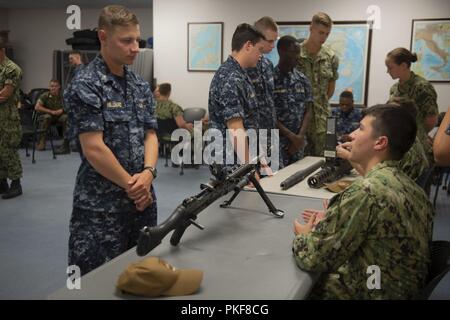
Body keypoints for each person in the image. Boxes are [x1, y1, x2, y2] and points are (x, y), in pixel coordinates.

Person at [293, 104, 434, 299]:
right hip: (394, 287)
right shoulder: (410, 187)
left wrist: (304, 235)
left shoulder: (367, 191)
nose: (351, 134)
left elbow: (314, 257)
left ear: (380, 143)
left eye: (360, 128)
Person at [64, 5, 158, 275]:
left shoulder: (139, 85)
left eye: (137, 40)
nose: (135, 48)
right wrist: (134, 186)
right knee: (97, 281)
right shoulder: (86, 84)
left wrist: (149, 174)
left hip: (142, 202)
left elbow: (151, 133)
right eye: (126, 40)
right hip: (100, 209)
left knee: (141, 274)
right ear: (103, 37)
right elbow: (93, 148)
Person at [208, 23, 265, 167]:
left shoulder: (240, 74)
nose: (260, 56)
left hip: (240, 159)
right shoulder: (231, 77)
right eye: (260, 49)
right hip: (232, 163)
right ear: (248, 46)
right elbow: (235, 129)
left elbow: (249, 123)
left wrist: (260, 159)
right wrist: (249, 168)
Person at [297, 12, 339, 157]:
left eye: (327, 34)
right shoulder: (296, 55)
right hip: (300, 122)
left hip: (326, 120)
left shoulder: (331, 57)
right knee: (300, 165)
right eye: (321, 32)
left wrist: (320, 105)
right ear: (311, 28)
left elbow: (330, 89)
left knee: (329, 160)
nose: (324, 37)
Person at [386, 47, 438, 160]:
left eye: (390, 68)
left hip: (417, 149)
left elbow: (431, 119)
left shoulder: (422, 87)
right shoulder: (394, 89)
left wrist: (418, 134)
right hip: (399, 145)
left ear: (404, 66)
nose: (387, 71)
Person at [273, 35, 312, 167]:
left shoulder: (302, 79)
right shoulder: (270, 79)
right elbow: (268, 113)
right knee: (274, 182)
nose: (298, 56)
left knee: (298, 180)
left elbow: (308, 110)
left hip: (298, 144)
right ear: (281, 52)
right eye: (294, 52)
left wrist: (299, 137)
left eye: (298, 52)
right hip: (277, 143)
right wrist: (292, 137)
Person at [247, 17, 279, 162]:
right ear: (258, 38)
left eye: (275, 40)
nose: (273, 45)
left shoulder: (267, 64)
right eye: (270, 41)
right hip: (251, 136)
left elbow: (269, 98)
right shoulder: (245, 66)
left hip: (269, 133)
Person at [0, 38, 23, 199]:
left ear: (2, 50)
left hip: (8, 118)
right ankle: (2, 183)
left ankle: (16, 184)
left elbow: (4, 95)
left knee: (9, 151)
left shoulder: (11, 69)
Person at [34, 79, 70, 154]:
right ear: (49, 87)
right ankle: (41, 142)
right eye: (51, 86)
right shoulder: (45, 95)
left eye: (55, 86)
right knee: (47, 117)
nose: (53, 88)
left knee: (66, 117)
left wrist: (62, 110)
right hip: (49, 115)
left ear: (59, 87)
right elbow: (37, 107)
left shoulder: (62, 95)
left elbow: (69, 106)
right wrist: (51, 111)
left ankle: (65, 143)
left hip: (59, 116)